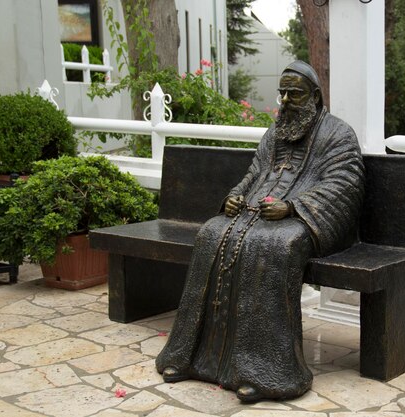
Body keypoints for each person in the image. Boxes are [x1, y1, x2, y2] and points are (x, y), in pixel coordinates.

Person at [156, 60, 365, 402]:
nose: (285, 101)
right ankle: (189, 357)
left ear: (314, 96)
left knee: (275, 246)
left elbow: (344, 185)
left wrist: (294, 207)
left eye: (294, 94)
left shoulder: (338, 135)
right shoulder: (275, 134)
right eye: (282, 93)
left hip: (309, 222)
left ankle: (265, 373)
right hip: (256, 214)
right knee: (211, 232)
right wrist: (235, 197)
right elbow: (255, 173)